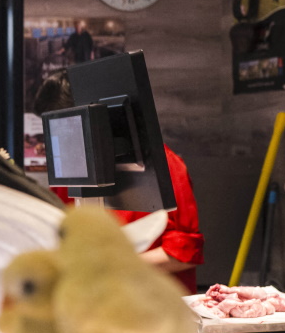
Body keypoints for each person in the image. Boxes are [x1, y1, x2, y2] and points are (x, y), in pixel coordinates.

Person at [33, 71, 204, 292]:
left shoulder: (165, 165)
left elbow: (185, 254)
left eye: (61, 129)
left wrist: (110, 269)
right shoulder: (71, 169)